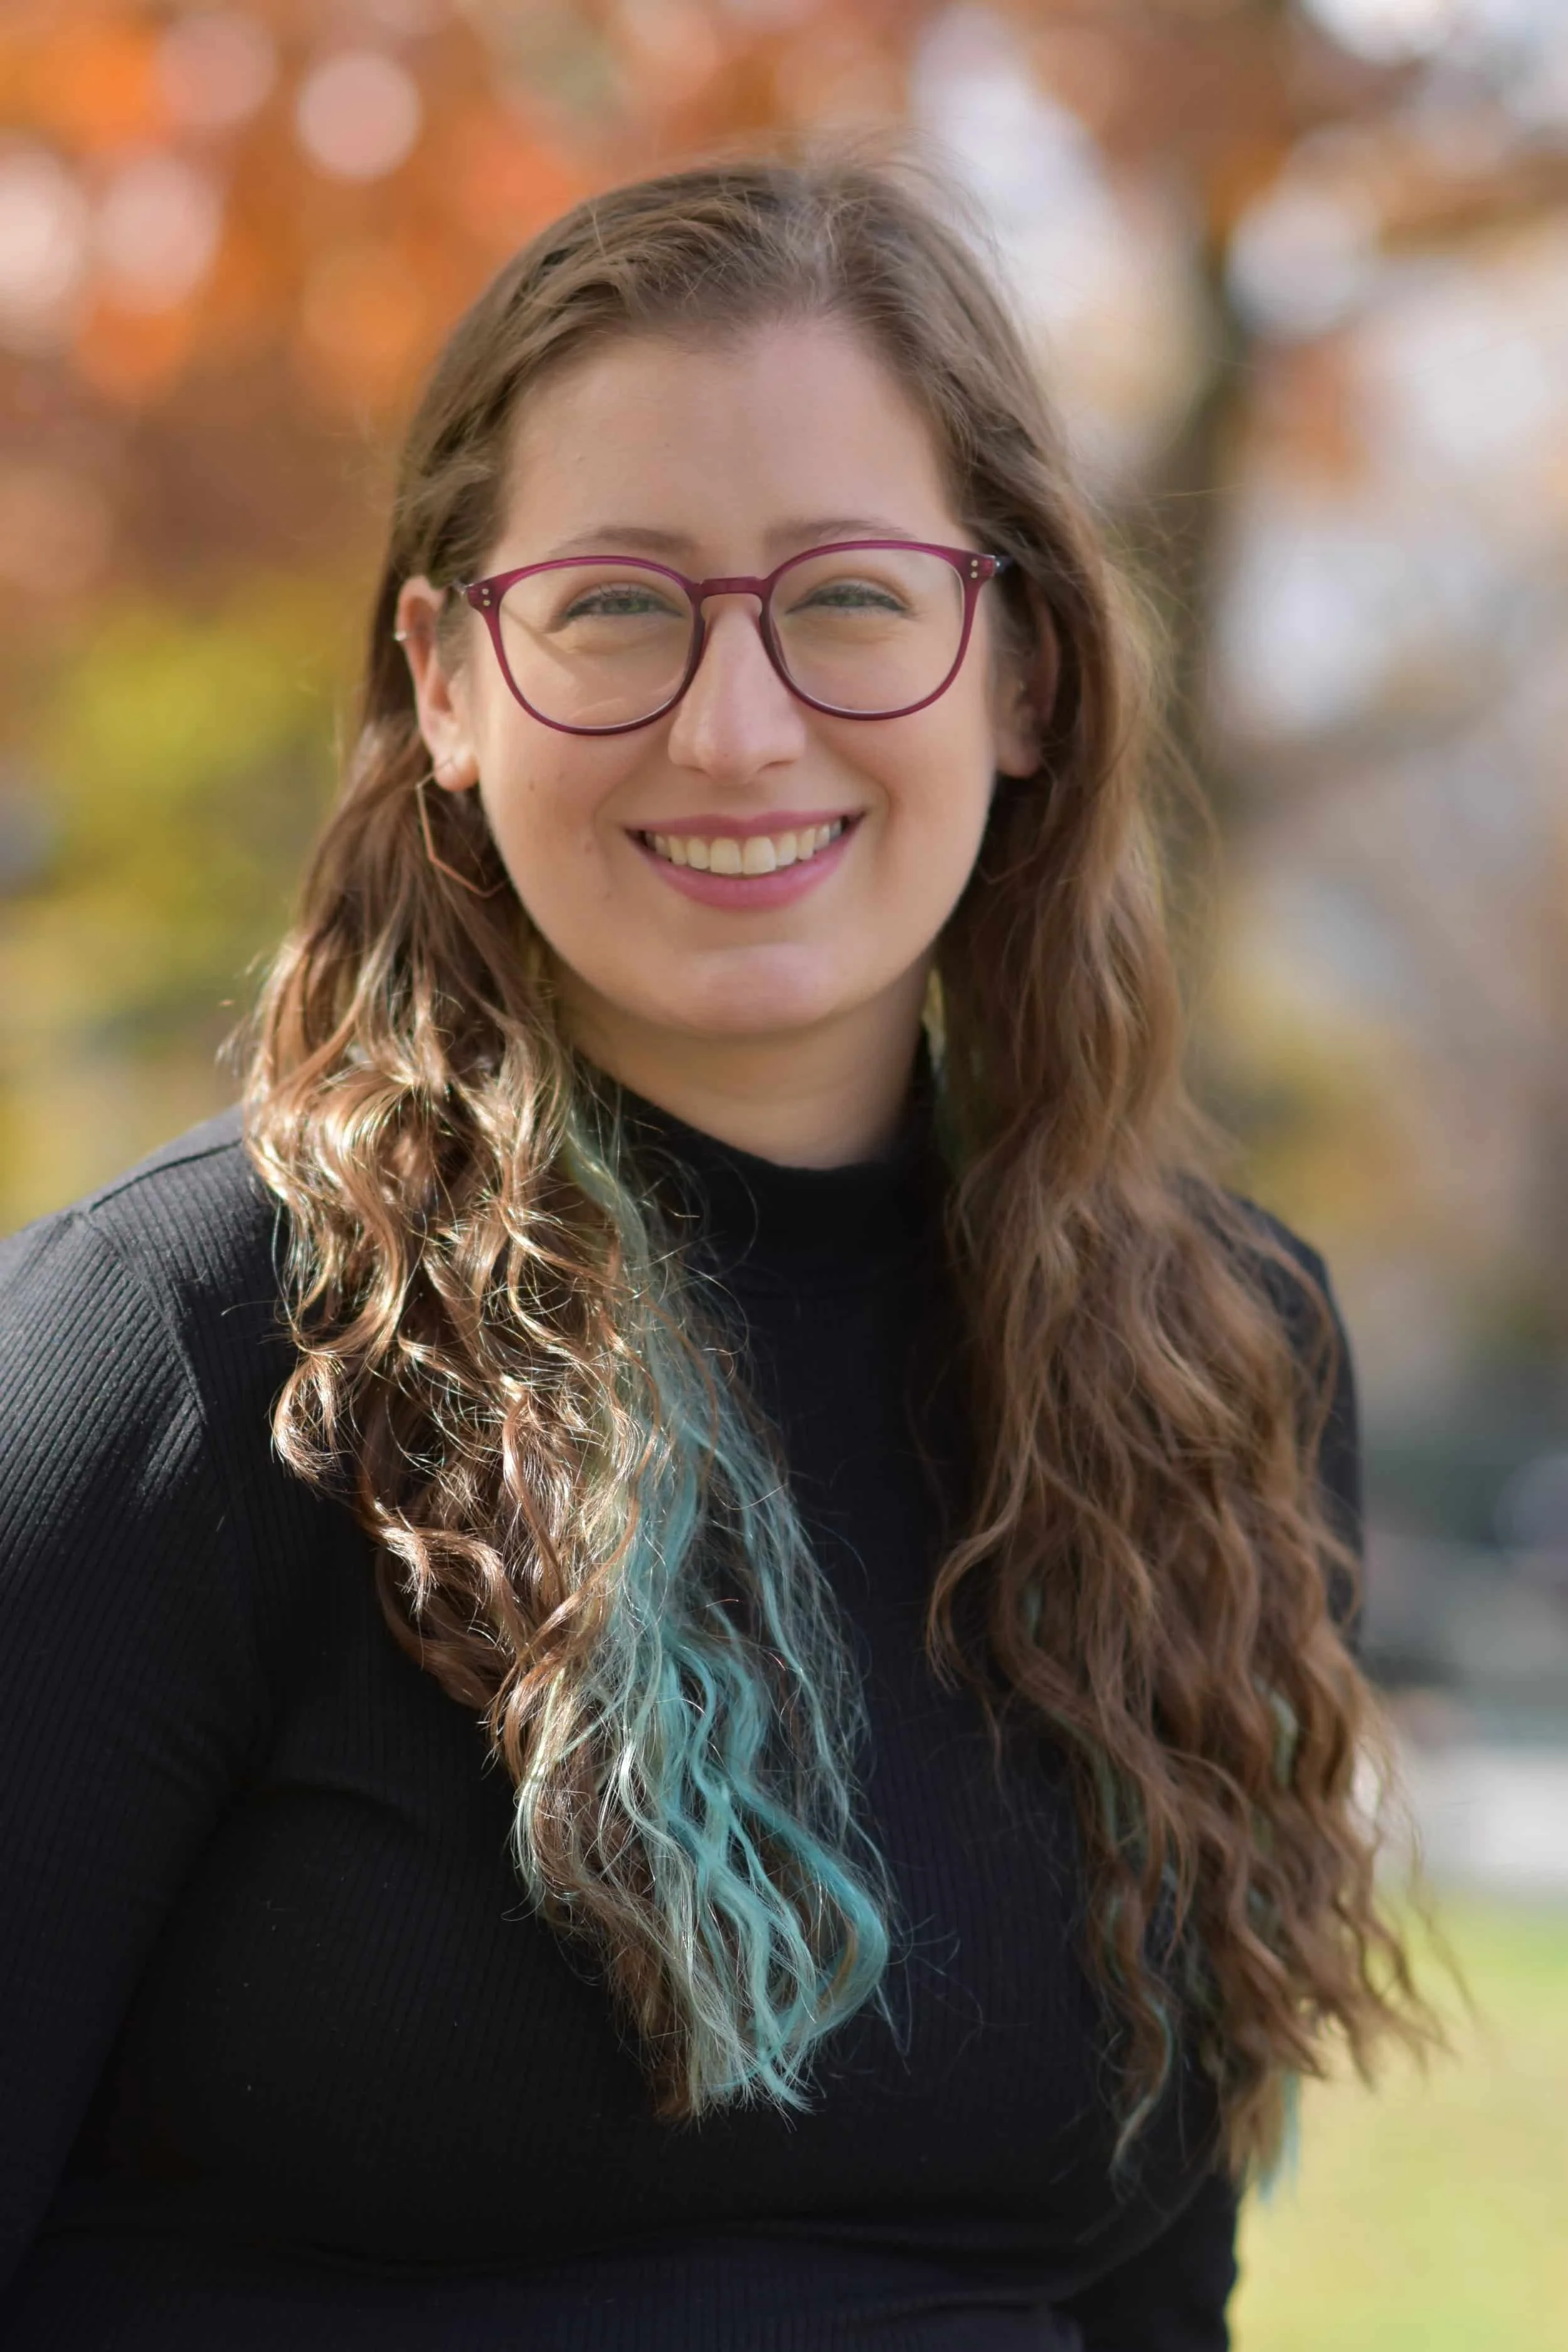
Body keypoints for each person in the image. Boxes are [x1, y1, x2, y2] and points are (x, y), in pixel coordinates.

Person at [0, 152, 1440, 2349]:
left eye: (849, 596)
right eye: (617, 605)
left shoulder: (1218, 1360)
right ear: (449, 686)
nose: (736, 723)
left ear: (1023, 669)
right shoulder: (185, 1360)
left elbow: (1150, 2298)